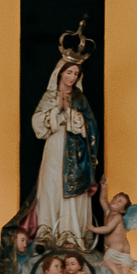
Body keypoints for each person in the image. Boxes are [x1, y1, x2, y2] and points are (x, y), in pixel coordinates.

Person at [30, 41, 100, 250]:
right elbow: (37, 123)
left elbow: (91, 127)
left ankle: (70, 235)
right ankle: (47, 234)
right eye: (69, 72)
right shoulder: (49, 96)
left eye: (75, 74)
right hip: (54, 148)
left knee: (72, 190)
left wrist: (70, 113)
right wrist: (55, 112)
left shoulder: (79, 98)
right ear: (60, 73)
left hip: (76, 152)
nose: (72, 77)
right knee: (51, 187)